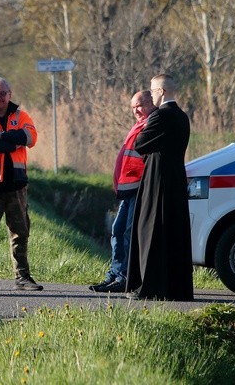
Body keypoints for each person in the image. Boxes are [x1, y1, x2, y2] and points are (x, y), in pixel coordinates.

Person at [125, 74, 193, 301]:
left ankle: (150, 286)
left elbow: (140, 143)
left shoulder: (160, 116)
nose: (151, 94)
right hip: (176, 178)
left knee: (151, 231)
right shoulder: (182, 117)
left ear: (161, 92)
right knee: (174, 232)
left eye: (152, 90)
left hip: (157, 179)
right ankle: (175, 288)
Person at [0, 77, 43, 291]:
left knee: (20, 232)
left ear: (9, 94)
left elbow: (31, 138)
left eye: (2, 93)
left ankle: (22, 277)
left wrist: (2, 136)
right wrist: (14, 139)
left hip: (17, 186)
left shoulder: (21, 115)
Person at [90, 90, 156, 293]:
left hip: (137, 189)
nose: (136, 110)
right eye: (133, 107)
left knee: (127, 232)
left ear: (151, 103)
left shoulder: (150, 124)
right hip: (127, 191)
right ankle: (115, 273)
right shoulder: (138, 125)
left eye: (140, 105)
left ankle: (124, 276)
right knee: (117, 231)